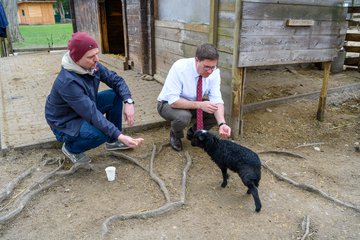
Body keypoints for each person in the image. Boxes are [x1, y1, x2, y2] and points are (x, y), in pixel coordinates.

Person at [45, 32, 143, 163]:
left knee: (114, 96)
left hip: (84, 107)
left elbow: (116, 80)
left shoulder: (93, 66)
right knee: (100, 134)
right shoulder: (68, 82)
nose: (96, 59)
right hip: (65, 121)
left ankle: (113, 142)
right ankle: (71, 149)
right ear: (76, 59)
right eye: (91, 56)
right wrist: (120, 135)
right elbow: (91, 113)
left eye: (97, 53)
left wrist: (128, 101)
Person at [157, 43, 231, 151]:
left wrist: (222, 123)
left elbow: (217, 99)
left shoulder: (215, 72)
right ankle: (175, 133)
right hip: (167, 104)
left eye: (212, 67)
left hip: (193, 103)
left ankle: (193, 133)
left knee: (216, 111)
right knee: (183, 117)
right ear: (197, 60)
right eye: (206, 67)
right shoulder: (180, 67)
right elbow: (173, 101)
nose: (210, 71)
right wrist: (200, 105)